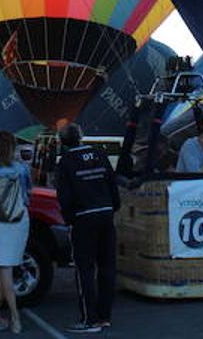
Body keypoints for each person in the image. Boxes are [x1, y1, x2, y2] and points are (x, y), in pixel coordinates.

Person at [54, 123, 119, 334]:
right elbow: (112, 183)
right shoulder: (99, 154)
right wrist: (112, 207)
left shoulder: (65, 162)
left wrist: (70, 218)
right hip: (106, 213)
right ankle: (104, 316)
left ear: (62, 142)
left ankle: (89, 319)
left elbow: (64, 196)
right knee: (107, 267)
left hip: (83, 218)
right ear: (80, 137)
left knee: (85, 269)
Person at [0, 131, 31, 334]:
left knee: (4, 270)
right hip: (18, 220)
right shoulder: (22, 169)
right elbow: (28, 194)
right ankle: (15, 317)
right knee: (8, 268)